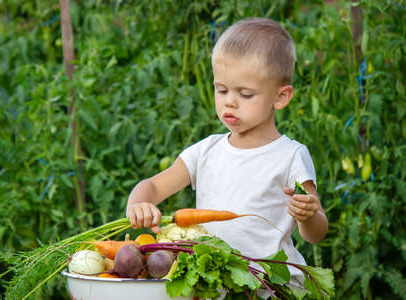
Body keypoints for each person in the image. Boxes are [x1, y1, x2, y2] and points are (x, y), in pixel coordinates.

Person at [126, 17, 328, 287]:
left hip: (271, 286)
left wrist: (309, 216)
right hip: (214, 284)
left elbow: (315, 234)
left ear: (280, 97)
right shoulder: (206, 151)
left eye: (245, 95)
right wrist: (139, 204)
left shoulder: (290, 156)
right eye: (221, 90)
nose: (229, 102)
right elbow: (151, 186)